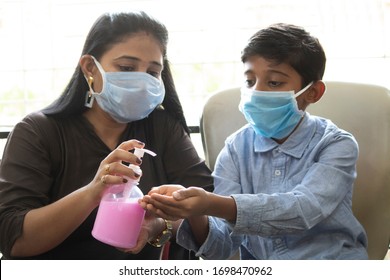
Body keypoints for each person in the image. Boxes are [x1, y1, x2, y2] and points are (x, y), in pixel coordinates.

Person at [141, 23, 368, 260]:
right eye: (250, 81)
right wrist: (195, 212)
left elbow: (303, 210)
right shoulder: (236, 149)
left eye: (274, 83)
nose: (256, 92)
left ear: (313, 93)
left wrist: (211, 204)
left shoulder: (336, 145)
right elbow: (221, 247)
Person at [0, 11, 213, 260]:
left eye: (152, 72)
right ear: (90, 68)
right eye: (127, 67)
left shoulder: (164, 128)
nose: (141, 81)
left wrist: (159, 225)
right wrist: (93, 192)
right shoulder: (38, 132)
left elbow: (209, 216)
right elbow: (12, 238)